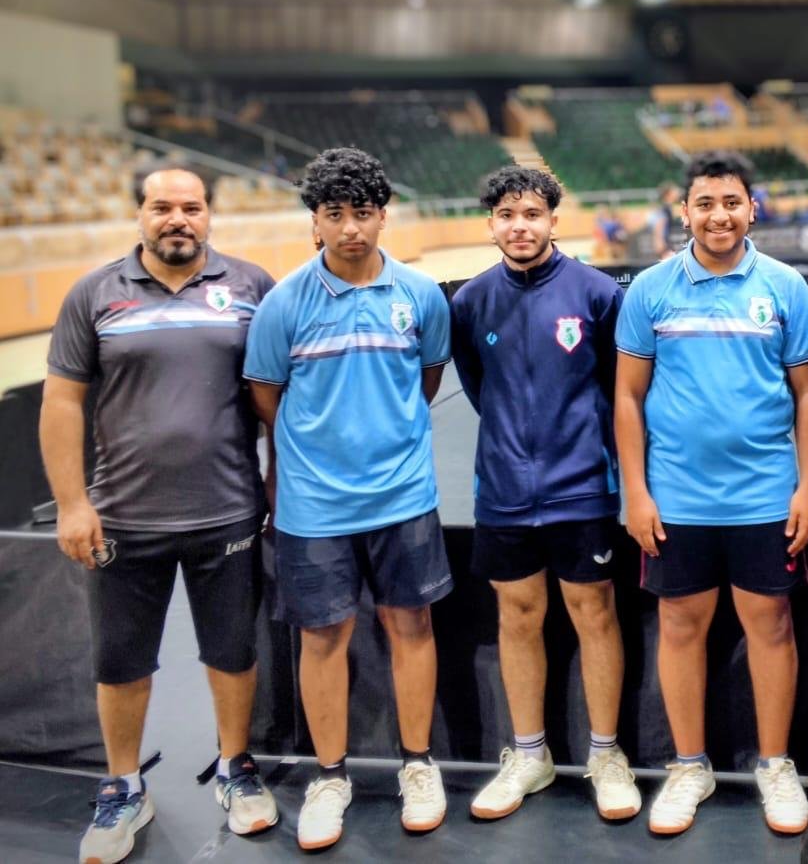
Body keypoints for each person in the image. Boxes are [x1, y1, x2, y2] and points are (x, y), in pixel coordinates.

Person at [41, 167, 279, 864]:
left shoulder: (252, 288)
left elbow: (278, 395)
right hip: (122, 518)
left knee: (232, 652)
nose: (178, 218)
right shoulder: (94, 294)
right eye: (162, 206)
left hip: (228, 511)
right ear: (139, 214)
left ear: (210, 214)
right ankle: (123, 786)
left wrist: (277, 482)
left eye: (192, 207)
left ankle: (236, 767)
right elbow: (62, 402)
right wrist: (72, 503)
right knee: (121, 661)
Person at [244, 147, 453, 850]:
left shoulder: (420, 296)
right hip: (314, 508)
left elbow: (426, 381)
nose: (350, 228)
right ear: (315, 222)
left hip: (404, 497)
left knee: (411, 626)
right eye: (334, 214)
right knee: (323, 637)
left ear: (383, 216)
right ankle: (330, 777)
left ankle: (418, 766)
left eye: (362, 213)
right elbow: (267, 396)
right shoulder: (283, 304)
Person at [614, 150, 808, 836]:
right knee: (680, 626)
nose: (719, 215)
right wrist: (636, 491)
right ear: (685, 212)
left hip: (765, 495)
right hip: (677, 499)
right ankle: (689, 766)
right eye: (704, 203)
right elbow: (627, 395)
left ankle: (775, 766)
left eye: (731, 202)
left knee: (772, 625)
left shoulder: (785, 287)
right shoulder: (650, 290)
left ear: (751, 209)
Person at [450, 166, 642, 823]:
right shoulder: (470, 302)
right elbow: (479, 386)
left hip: (582, 487)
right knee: (518, 616)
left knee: (595, 615)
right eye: (506, 215)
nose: (519, 226)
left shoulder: (597, 293)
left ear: (554, 220)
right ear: (490, 224)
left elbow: (619, 388)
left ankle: (606, 755)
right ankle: (530, 754)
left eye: (532, 213)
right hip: (504, 489)